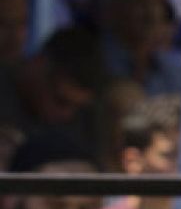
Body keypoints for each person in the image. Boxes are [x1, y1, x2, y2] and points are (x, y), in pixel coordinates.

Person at [0, 25, 106, 158]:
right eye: (60, 101)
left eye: (76, 107)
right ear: (38, 65)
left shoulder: (82, 122)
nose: (66, 115)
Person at [99, 0, 181, 95]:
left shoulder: (175, 69)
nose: (152, 13)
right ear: (114, 9)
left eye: (158, 2)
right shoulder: (96, 61)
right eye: (140, 1)